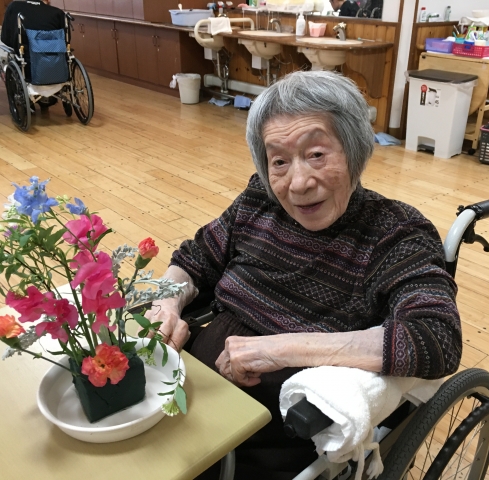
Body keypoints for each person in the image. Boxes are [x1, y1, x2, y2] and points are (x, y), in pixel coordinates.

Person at [146, 70, 462, 479]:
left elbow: (437, 338)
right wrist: (167, 303)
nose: (297, 183)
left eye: (316, 154)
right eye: (279, 161)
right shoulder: (259, 198)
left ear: (354, 150)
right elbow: (194, 258)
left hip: (278, 429)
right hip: (186, 389)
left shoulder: (394, 232)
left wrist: (277, 349)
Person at [0, 0, 65, 105]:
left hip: (29, 65)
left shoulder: (15, 7)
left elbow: (6, 39)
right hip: (57, 67)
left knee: (12, 57)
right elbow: (65, 41)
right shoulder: (57, 13)